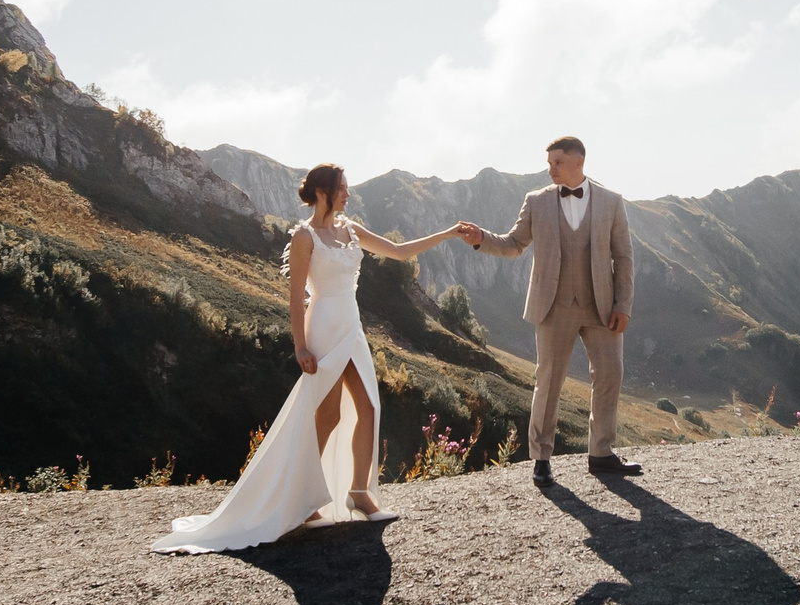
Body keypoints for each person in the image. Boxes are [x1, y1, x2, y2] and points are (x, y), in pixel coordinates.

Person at [153, 163, 457, 553]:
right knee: (327, 415)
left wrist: (448, 233)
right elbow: (296, 297)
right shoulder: (304, 237)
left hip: (352, 326)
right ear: (321, 192)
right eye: (342, 188)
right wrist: (300, 346)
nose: (348, 194)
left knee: (368, 404)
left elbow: (398, 252)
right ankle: (304, 501)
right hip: (324, 328)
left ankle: (359, 493)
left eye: (347, 188)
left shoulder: (351, 229)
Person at [453, 135, 641, 483]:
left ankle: (601, 453)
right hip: (553, 306)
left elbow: (624, 257)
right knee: (549, 381)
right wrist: (481, 238)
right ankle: (541, 458)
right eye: (549, 161)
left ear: (578, 161)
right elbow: (513, 244)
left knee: (610, 375)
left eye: (557, 162)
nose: (550, 168)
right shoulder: (536, 201)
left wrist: (623, 305)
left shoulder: (612, 202)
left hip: (602, 306)